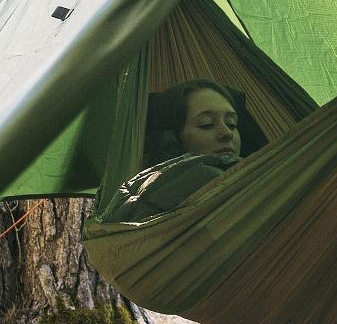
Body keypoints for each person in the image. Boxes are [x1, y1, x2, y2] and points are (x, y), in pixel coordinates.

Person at [107, 78, 262, 222]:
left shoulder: (137, 193)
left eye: (231, 124)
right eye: (206, 124)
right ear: (171, 139)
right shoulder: (202, 180)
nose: (227, 133)